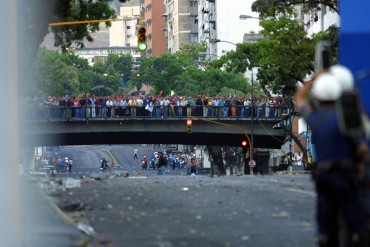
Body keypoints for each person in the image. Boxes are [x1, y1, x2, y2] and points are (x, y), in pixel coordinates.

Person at [294, 67, 368, 247]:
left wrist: (313, 79)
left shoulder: (314, 117)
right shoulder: (347, 117)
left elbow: (299, 100)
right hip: (345, 174)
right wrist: (359, 163)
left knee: (325, 214)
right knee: (355, 214)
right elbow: (362, 147)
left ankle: (325, 238)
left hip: (323, 176)